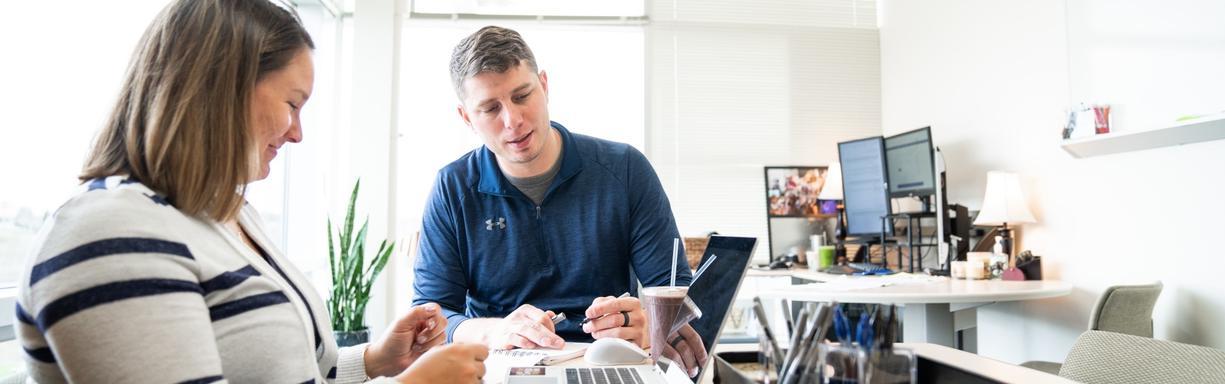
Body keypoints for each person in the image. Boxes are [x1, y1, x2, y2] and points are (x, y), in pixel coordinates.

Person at [14, 1, 485, 383]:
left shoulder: (227, 217)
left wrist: (374, 361)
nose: (298, 133)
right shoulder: (109, 232)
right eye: (292, 104)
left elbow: (287, 374)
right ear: (222, 90)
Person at [412, 25, 708, 376]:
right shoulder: (453, 187)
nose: (514, 121)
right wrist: (495, 329)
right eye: (490, 108)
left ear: (545, 86)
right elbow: (431, 318)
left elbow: (676, 293)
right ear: (466, 118)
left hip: (609, 367)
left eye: (522, 96)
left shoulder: (625, 169)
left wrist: (648, 326)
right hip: (499, 369)